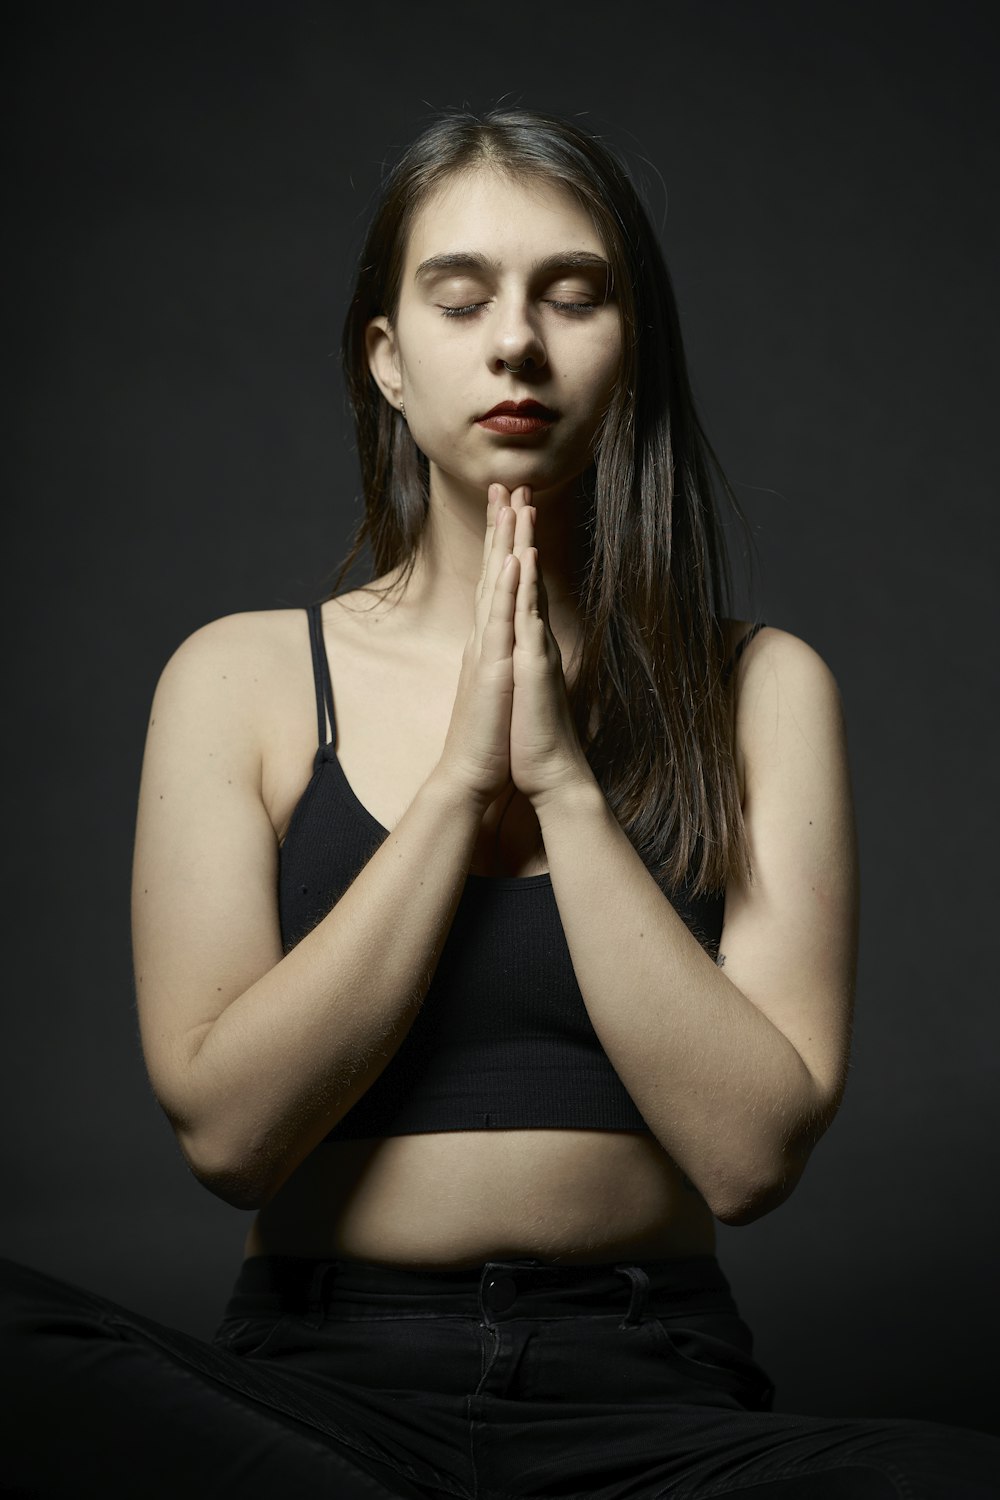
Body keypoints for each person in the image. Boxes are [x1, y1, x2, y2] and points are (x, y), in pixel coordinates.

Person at [2, 108, 997, 1500]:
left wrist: (565, 792)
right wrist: (461, 788)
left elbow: (751, 1156)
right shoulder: (240, 679)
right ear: (389, 361)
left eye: (572, 295)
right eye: (459, 299)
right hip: (316, 1400)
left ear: (627, 348)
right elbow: (230, 1143)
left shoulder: (762, 685)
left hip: (649, 1399)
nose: (515, 341)